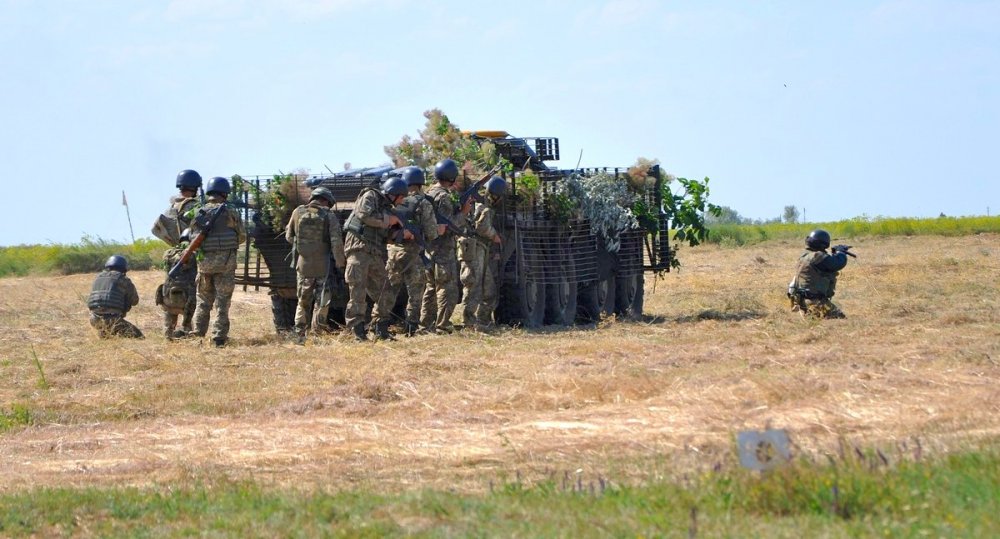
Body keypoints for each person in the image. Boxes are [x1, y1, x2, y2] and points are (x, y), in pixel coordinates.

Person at [342, 176, 409, 341]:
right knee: (357, 292)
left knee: (385, 292)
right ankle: (357, 332)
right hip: (358, 249)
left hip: (374, 253)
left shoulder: (387, 209)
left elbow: (385, 235)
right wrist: (389, 220)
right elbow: (364, 215)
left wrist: (399, 234)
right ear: (393, 193)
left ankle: (380, 329)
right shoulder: (370, 195)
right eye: (401, 197)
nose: (402, 201)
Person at [189, 176, 247, 347]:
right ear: (225, 193)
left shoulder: (199, 212)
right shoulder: (230, 212)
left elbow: (192, 239)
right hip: (225, 265)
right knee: (222, 302)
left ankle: (198, 333)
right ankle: (218, 337)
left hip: (204, 266)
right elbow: (242, 236)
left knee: (203, 300)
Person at [285, 186, 347, 342]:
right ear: (326, 200)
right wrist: (340, 263)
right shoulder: (329, 215)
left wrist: (304, 246)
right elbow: (336, 242)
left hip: (303, 264)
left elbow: (289, 236)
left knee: (303, 301)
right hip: (322, 265)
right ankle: (317, 333)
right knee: (322, 301)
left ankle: (299, 334)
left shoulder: (297, 212)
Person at [384, 166, 440, 336]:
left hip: (393, 251)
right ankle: (411, 327)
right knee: (415, 293)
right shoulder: (423, 203)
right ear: (421, 184)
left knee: (390, 290)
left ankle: (380, 324)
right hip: (413, 254)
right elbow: (431, 233)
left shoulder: (394, 202)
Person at [421, 159, 472, 334]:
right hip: (443, 249)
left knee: (430, 287)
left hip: (429, 248)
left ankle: (425, 324)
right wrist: (464, 213)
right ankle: (442, 325)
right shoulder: (443, 197)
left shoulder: (429, 193)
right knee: (447, 287)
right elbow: (449, 225)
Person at [150, 169, 203, 334]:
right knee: (193, 292)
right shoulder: (197, 207)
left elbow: (156, 229)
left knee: (171, 288)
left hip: (173, 255)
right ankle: (188, 329)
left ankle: (168, 330)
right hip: (192, 255)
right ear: (195, 186)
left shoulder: (170, 209)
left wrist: (174, 243)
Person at [458, 175, 506, 331]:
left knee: (489, 288)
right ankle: (469, 322)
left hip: (480, 249)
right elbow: (482, 227)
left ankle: (483, 321)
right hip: (474, 248)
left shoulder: (482, 203)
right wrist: (494, 235)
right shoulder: (482, 205)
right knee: (473, 285)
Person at [787, 229, 850, 319]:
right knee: (841, 320)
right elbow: (837, 263)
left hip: (802, 301)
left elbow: (826, 264)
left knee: (813, 323)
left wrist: (835, 253)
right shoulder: (817, 256)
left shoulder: (805, 256)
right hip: (815, 302)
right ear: (823, 244)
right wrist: (841, 253)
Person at [87, 255, 143, 339]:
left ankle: (104, 334)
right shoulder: (124, 279)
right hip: (113, 319)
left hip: (94, 319)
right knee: (139, 337)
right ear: (123, 268)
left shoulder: (98, 278)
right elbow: (135, 301)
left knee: (107, 337)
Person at [156, 232, 197, 339]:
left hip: (168, 296)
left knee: (169, 316)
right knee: (188, 322)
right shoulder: (194, 255)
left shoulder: (168, 253)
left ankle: (168, 335)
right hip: (187, 298)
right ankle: (188, 334)